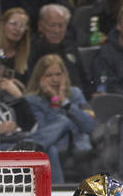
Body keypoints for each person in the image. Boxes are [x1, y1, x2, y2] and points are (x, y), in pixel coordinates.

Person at [24, 53, 98, 183]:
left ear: (64, 75)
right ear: (40, 78)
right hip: (54, 148)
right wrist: (54, 100)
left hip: (79, 148)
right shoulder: (33, 100)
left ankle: (27, 148)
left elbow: (89, 125)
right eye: (49, 75)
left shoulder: (75, 94)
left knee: (65, 122)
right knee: (60, 126)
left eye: (58, 74)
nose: (55, 79)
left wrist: (65, 102)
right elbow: (45, 132)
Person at [29, 3, 86, 91]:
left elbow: (84, 79)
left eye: (61, 25)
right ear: (40, 26)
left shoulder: (70, 47)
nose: (57, 30)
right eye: (52, 25)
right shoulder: (31, 49)